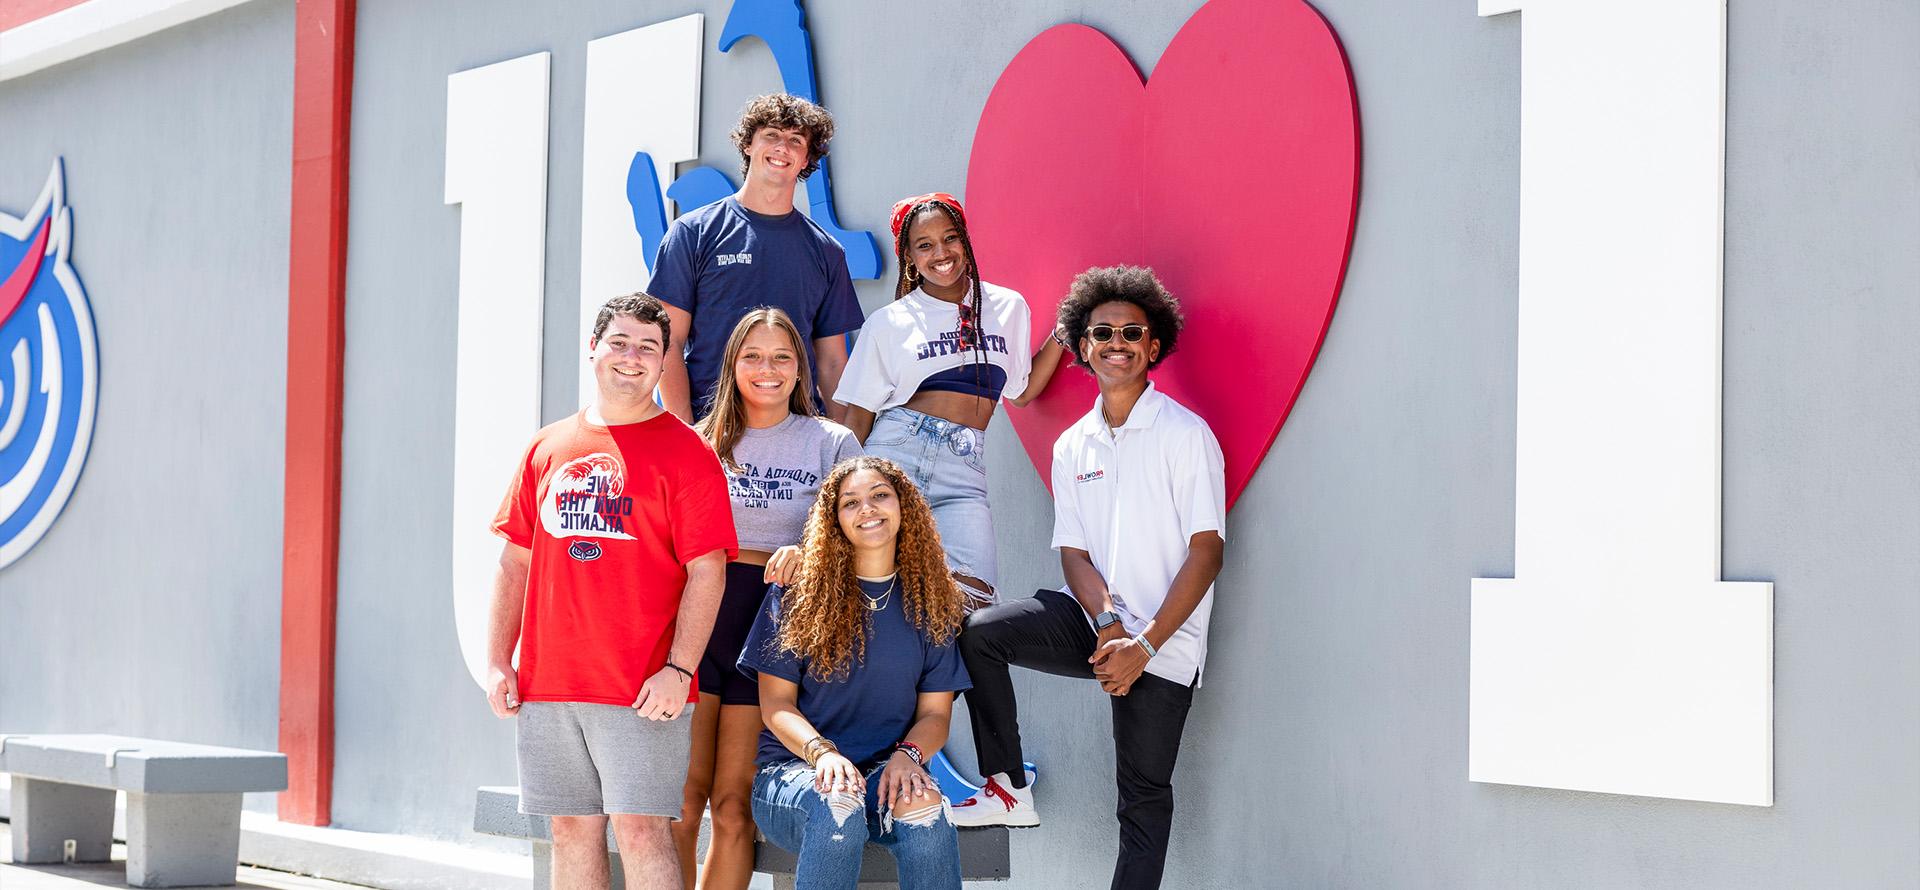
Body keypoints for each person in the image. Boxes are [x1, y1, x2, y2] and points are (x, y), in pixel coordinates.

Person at [949, 267, 1227, 890]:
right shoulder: (1073, 445)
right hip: (1096, 623)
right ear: (1081, 346)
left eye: (1133, 331)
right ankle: (1007, 786)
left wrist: (1144, 644)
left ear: (1154, 347)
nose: (1117, 342)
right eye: (1102, 332)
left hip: (1165, 644)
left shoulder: (1186, 436)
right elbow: (1073, 552)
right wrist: (1105, 620)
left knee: (1142, 797)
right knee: (980, 633)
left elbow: (1206, 552)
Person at [483, 294, 737, 890]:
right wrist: (498, 660)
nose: (632, 357)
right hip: (549, 685)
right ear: (592, 349)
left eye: (650, 347)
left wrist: (680, 669)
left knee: (642, 829)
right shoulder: (545, 447)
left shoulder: (689, 454)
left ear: (664, 361)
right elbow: (515, 562)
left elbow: (708, 571)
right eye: (619, 342)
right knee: (570, 828)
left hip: (642, 684)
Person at [675, 308, 862, 890]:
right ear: (732, 365)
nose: (767, 369)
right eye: (753, 356)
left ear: (800, 368)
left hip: (774, 631)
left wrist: (812, 555)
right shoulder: (697, 442)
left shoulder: (831, 441)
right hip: (698, 623)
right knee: (679, 807)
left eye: (782, 356)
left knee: (733, 809)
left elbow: (866, 531)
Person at [739, 456, 972, 890]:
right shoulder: (798, 594)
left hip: (888, 772)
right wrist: (823, 754)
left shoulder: (933, 601)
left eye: (880, 496)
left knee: (926, 807)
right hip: (796, 776)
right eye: (851, 503)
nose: (867, 509)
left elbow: (936, 715)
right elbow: (775, 706)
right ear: (835, 521)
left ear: (904, 508)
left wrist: (909, 756)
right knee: (837, 801)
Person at [834, 192, 1067, 607]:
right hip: (895, 458)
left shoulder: (1007, 307)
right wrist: (843, 493)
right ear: (909, 257)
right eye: (925, 245)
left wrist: (1066, 329)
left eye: (951, 238)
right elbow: (858, 418)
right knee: (882, 599)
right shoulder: (890, 322)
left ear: (966, 241)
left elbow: (1021, 391)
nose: (941, 253)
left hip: (964, 470)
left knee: (975, 604)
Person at [649, 93, 866, 423]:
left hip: (797, 437)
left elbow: (832, 362)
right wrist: (687, 436)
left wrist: (844, 450)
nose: (783, 147)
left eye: (796, 140)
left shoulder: (826, 251)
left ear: (808, 159)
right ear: (748, 145)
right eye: (772, 135)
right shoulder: (693, 233)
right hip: (712, 429)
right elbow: (668, 343)